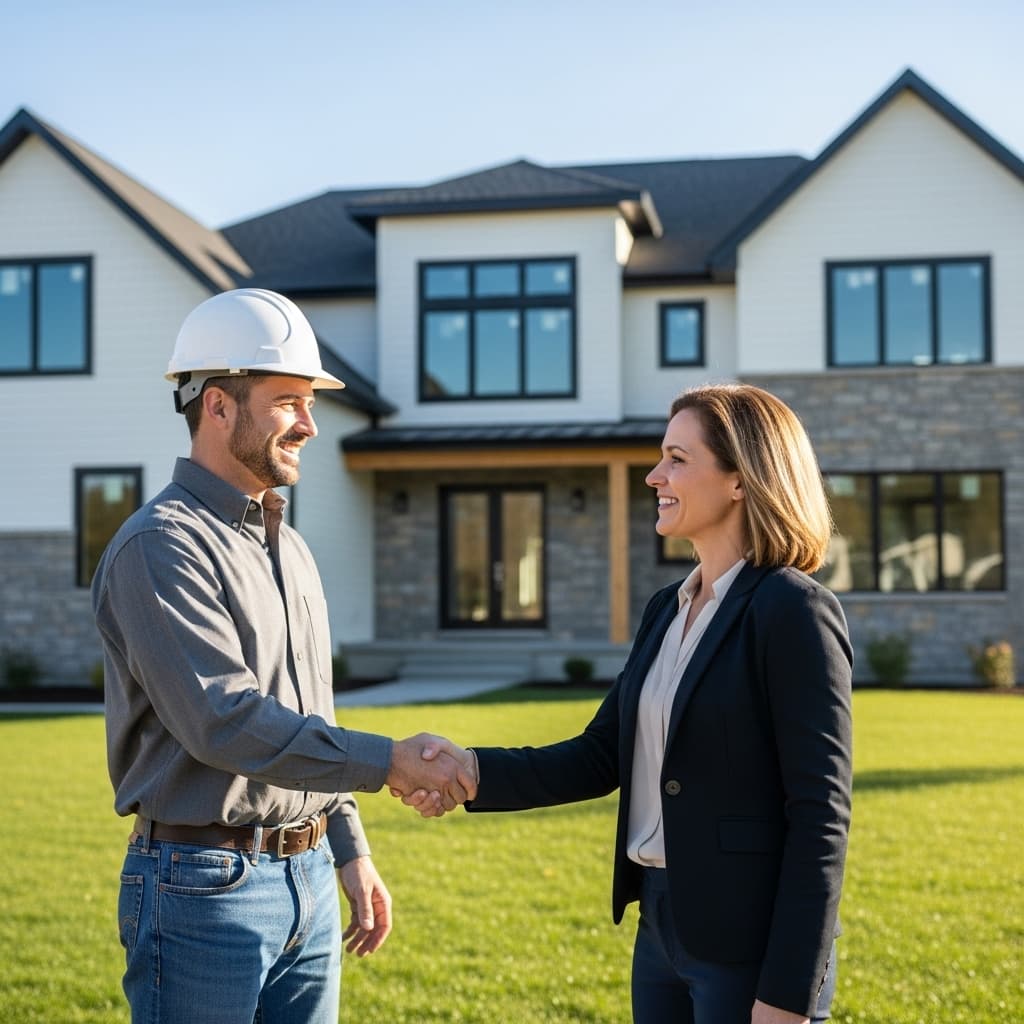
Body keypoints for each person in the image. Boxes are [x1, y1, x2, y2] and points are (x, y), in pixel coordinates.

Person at [405, 383, 853, 1024]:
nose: (654, 476)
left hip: (750, 945)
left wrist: (789, 994)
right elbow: (598, 755)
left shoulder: (792, 609)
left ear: (739, 479)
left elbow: (821, 815)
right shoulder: (666, 609)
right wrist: (471, 771)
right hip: (662, 930)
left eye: (677, 458)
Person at [92, 288, 469, 1024]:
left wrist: (348, 845)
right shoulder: (160, 546)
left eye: (310, 402)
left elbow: (308, 713)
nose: (310, 424)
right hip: (202, 892)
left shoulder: (287, 546)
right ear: (218, 406)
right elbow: (223, 722)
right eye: (289, 401)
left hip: (309, 881)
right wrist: (390, 759)